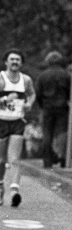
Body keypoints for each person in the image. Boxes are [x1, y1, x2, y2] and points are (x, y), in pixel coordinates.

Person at [0, 48, 36, 206]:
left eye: (17, 60)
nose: (15, 62)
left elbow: (32, 94)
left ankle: (14, 191)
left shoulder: (26, 80)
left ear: (21, 63)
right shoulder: (1, 79)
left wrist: (29, 103)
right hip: (1, 120)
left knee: (14, 158)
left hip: (17, 121)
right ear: (6, 62)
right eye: (12, 59)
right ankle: (1, 186)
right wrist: (6, 98)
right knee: (1, 159)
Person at [35, 51, 71, 170]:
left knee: (47, 133)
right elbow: (70, 91)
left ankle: (47, 160)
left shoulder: (42, 76)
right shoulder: (66, 75)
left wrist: (42, 105)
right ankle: (61, 155)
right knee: (62, 132)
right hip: (62, 108)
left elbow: (38, 93)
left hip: (47, 107)